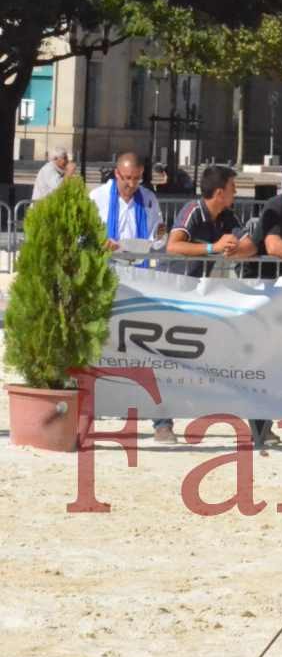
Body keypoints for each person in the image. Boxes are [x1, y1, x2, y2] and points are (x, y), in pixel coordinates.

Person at [167, 164, 274, 448]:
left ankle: (260, 427)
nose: (236, 193)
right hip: (176, 295)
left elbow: (240, 241)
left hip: (207, 297)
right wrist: (213, 247)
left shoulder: (226, 216)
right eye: (232, 189)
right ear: (219, 192)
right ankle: (162, 424)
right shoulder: (192, 210)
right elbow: (173, 246)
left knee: (240, 357)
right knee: (169, 361)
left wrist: (237, 245)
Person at [92, 152, 174, 442]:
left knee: (149, 348)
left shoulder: (149, 199)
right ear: (117, 174)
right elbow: (82, 237)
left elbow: (157, 238)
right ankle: (91, 411)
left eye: (137, 179)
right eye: (127, 179)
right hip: (106, 276)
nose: (131, 185)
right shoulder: (98, 198)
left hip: (139, 279)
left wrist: (160, 236)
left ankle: (161, 422)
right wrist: (99, 242)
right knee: (101, 344)